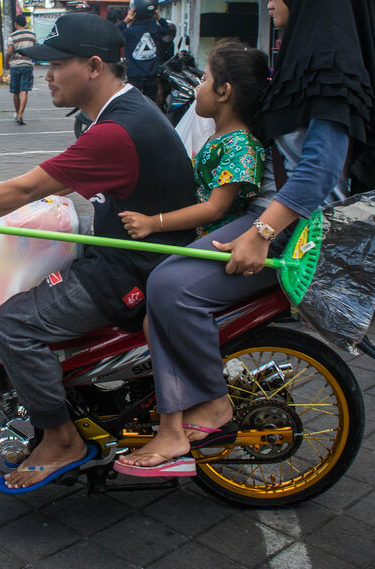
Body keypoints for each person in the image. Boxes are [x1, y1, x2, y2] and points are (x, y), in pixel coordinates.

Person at [115, 0, 375, 476]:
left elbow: (317, 172)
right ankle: (180, 412)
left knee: (173, 287)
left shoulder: (330, 68)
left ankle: (212, 405)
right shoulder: (300, 54)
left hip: (296, 228)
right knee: (163, 282)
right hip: (270, 215)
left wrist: (259, 233)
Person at [0, 13, 199, 493]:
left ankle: (61, 439)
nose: (48, 76)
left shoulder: (116, 131)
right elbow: (47, 183)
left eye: (57, 65)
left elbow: (28, 186)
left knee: (13, 323)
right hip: (131, 258)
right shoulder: (124, 113)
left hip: (134, 272)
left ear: (94, 66)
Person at [114, 40, 270, 475]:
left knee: (164, 294)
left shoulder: (240, 145)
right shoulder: (218, 138)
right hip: (204, 240)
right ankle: (175, 415)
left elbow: (217, 209)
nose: (197, 87)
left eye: (203, 78)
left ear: (223, 92)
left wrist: (154, 222)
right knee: (150, 317)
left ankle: (203, 408)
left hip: (223, 242)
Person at [122, 0, 165, 104]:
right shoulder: (155, 29)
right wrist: (159, 18)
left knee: (133, 104)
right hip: (152, 77)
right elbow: (168, 30)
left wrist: (126, 20)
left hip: (134, 76)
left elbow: (114, 33)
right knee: (149, 104)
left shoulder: (130, 32)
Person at [6, 13, 36, 125]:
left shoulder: (12, 36)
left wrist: (6, 63)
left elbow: (9, 52)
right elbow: (36, 50)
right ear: (25, 23)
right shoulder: (32, 35)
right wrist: (32, 61)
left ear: (16, 23)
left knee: (15, 92)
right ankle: (20, 115)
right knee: (24, 91)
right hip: (27, 65)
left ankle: (17, 113)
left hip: (15, 65)